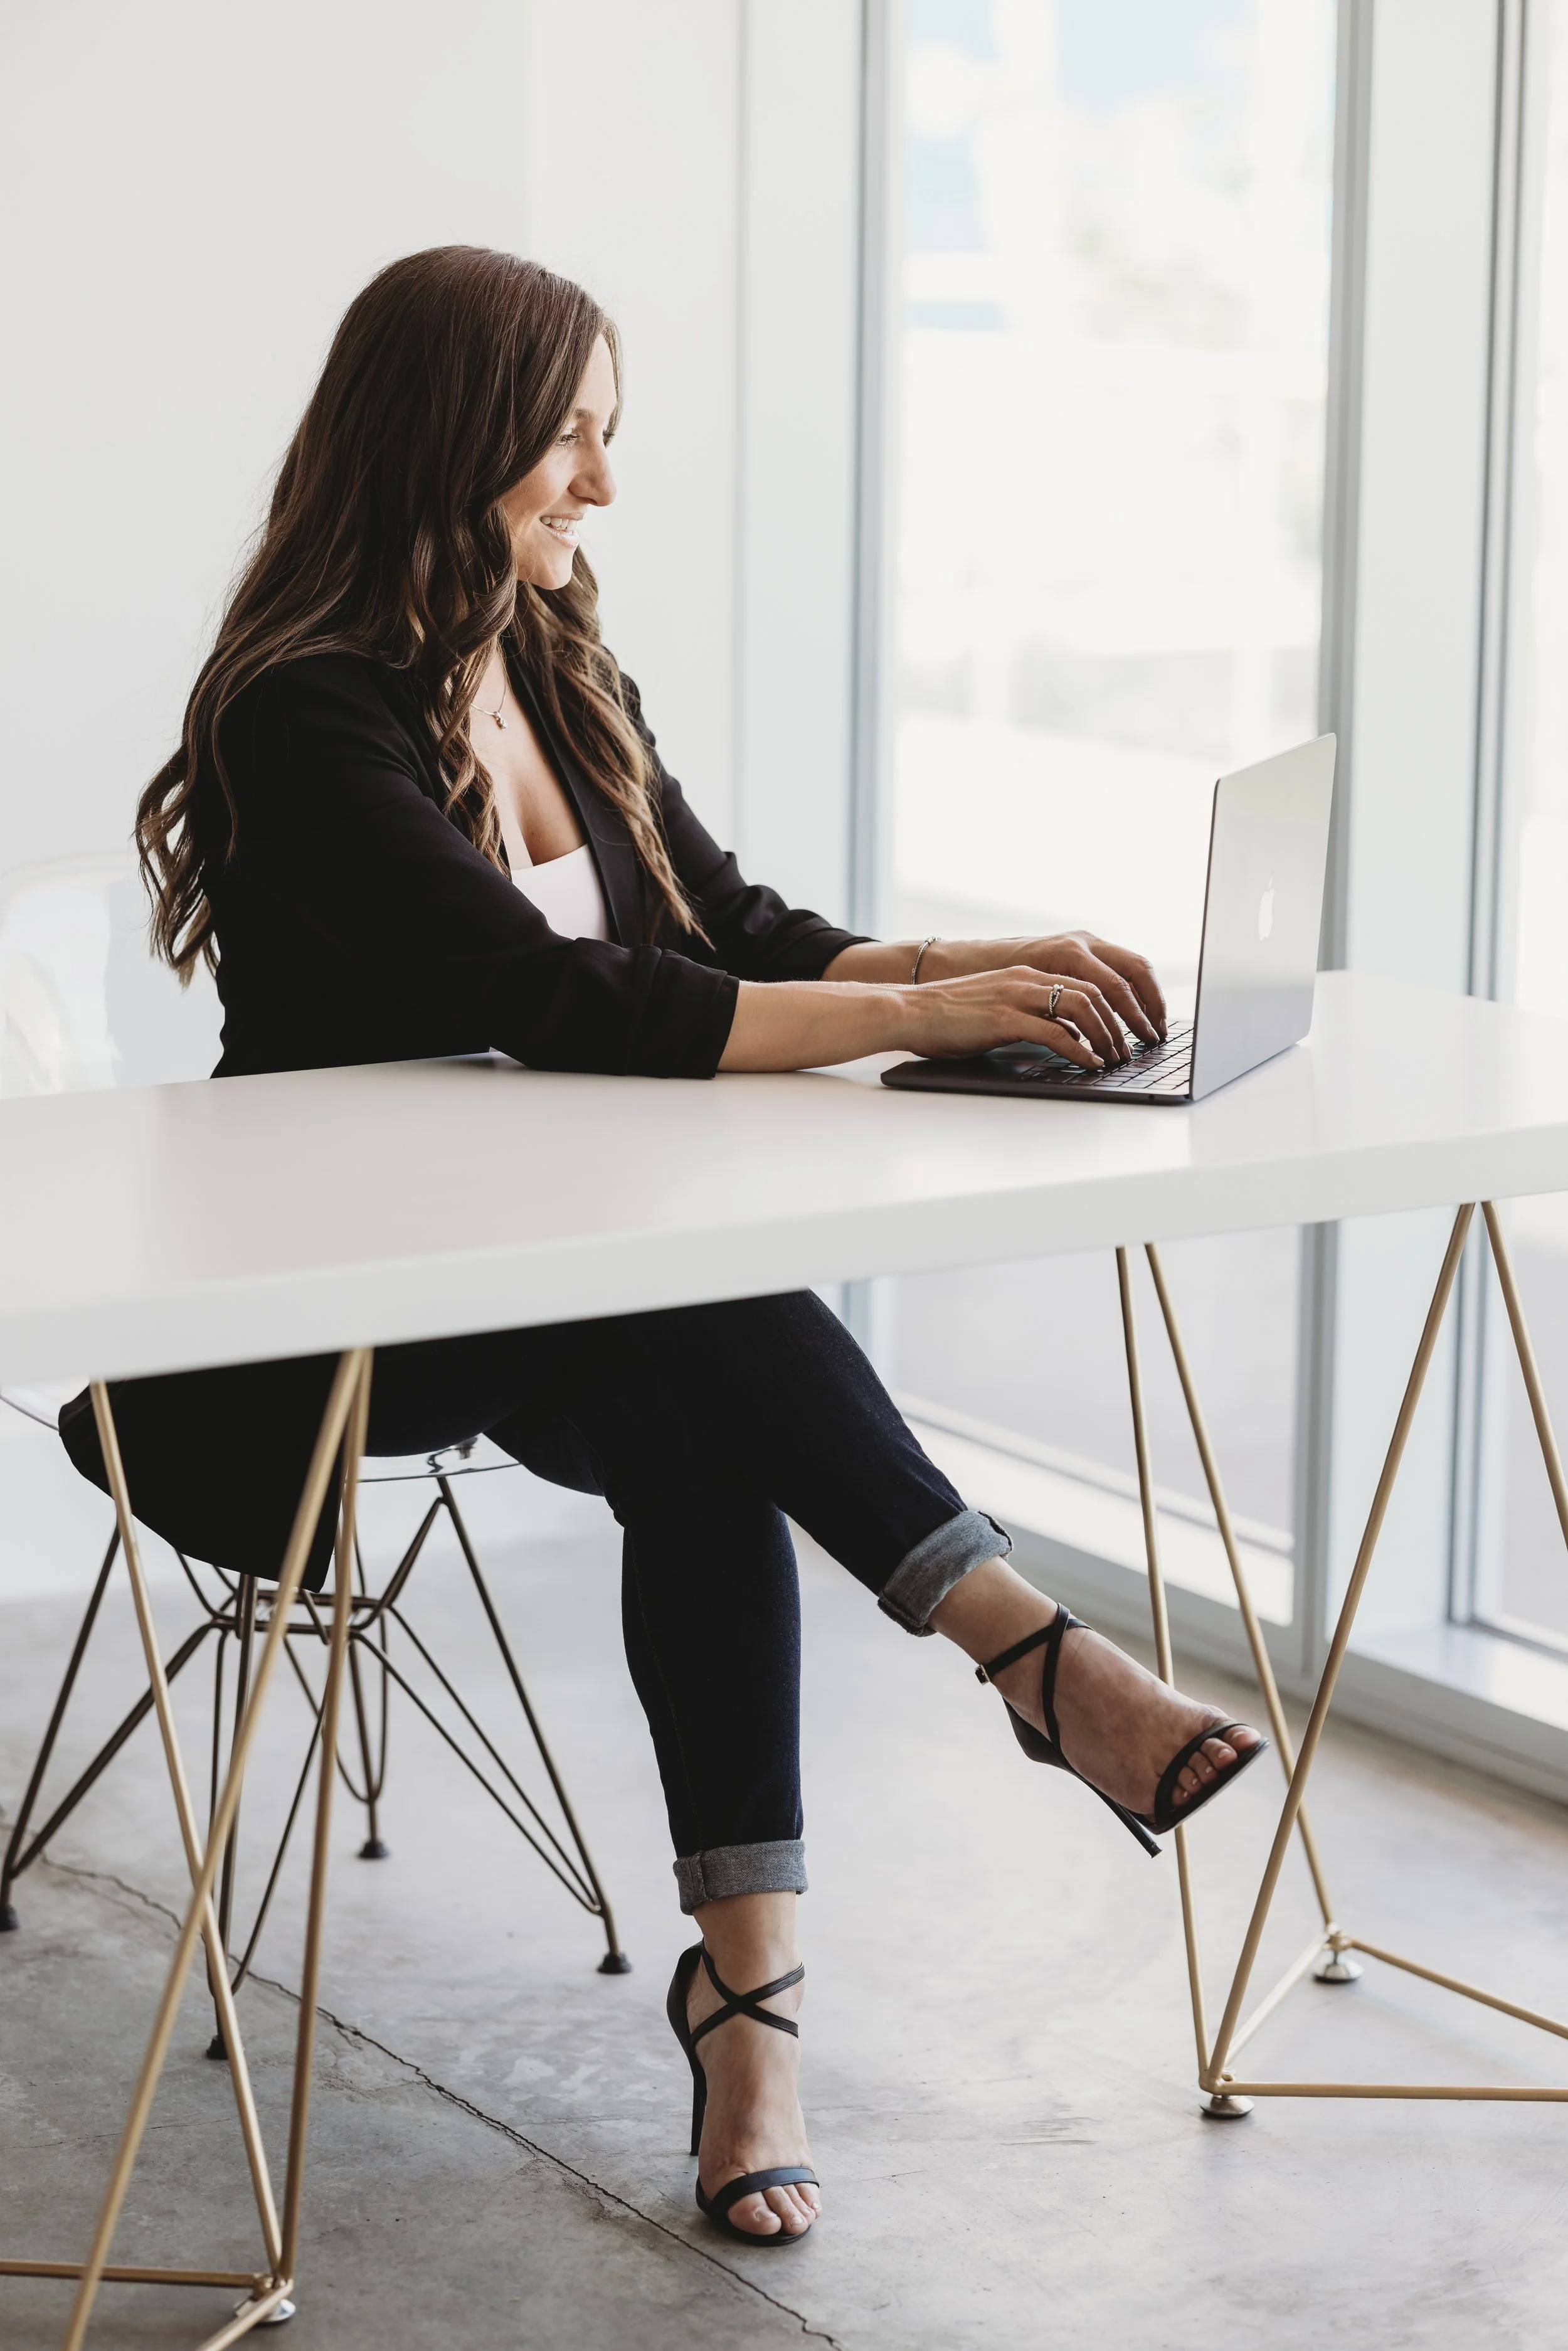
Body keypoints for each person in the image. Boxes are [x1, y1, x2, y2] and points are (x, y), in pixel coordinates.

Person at [67, 247, 1263, 2248]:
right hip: (311, 1331)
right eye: (572, 436)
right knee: (698, 1309)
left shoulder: (551, 657)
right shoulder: (301, 714)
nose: (600, 487)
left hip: (557, 1295)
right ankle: (1021, 1667)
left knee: (706, 1406)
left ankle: (757, 2015)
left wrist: (979, 961)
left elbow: (725, 933)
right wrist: (919, 1020)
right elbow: (565, 999)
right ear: (453, 443)